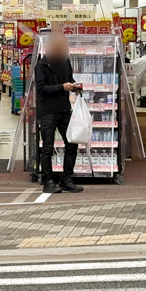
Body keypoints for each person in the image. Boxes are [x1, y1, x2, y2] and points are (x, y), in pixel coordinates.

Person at [34, 32, 83, 194]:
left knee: (72, 143)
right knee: (47, 147)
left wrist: (75, 86)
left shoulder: (66, 62)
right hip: (47, 112)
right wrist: (62, 87)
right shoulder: (42, 66)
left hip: (64, 109)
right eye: (58, 47)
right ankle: (47, 181)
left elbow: (69, 79)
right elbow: (41, 88)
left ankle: (66, 178)